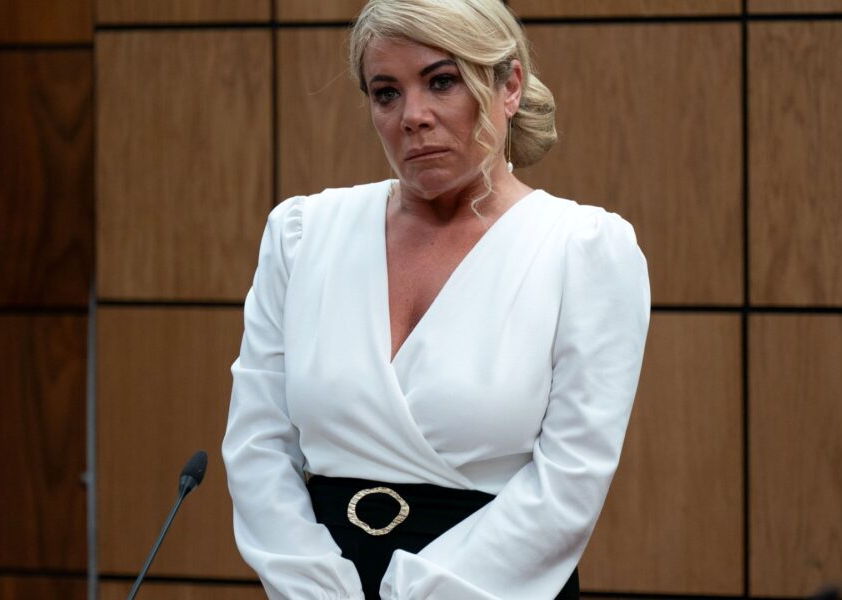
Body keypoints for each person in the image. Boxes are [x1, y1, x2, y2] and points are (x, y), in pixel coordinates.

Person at [222, 0, 651, 598]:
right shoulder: (301, 234)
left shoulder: (583, 249)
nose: (412, 117)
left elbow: (569, 485)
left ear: (509, 86)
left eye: (442, 82)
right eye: (386, 93)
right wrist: (317, 589)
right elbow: (256, 447)